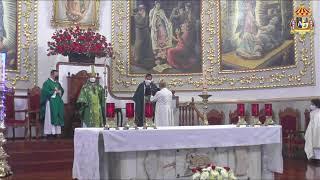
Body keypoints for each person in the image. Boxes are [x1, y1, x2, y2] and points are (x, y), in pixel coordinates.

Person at [40, 70, 64, 137]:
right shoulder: (47, 83)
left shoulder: (57, 83)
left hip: (57, 102)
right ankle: (49, 132)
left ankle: (57, 132)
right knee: (50, 117)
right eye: (56, 75)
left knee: (57, 115)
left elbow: (62, 90)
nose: (57, 76)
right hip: (50, 103)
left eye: (57, 75)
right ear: (52, 75)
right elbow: (45, 92)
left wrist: (60, 91)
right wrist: (54, 92)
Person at [133, 5, 155, 70]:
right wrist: (143, 17)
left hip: (145, 31)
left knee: (147, 42)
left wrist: (144, 17)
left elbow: (145, 24)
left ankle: (146, 56)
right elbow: (140, 23)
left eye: (143, 9)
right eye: (141, 10)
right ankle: (138, 58)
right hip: (139, 32)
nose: (143, 11)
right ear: (139, 10)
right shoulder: (136, 16)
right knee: (139, 44)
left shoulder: (145, 15)